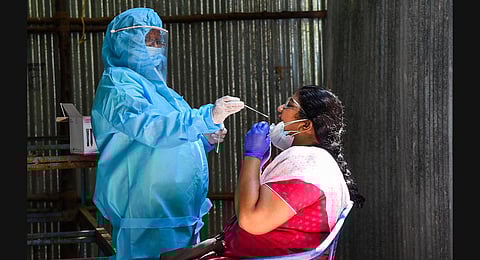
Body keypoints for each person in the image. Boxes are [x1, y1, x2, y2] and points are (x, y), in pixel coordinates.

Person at [90, 7, 245, 259]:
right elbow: (152, 129)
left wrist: (204, 138)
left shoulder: (162, 91)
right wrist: (207, 116)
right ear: (122, 41)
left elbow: (174, 142)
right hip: (146, 212)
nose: (153, 46)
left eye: (156, 40)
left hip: (177, 211)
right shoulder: (118, 85)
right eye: (146, 39)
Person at [160, 85, 365, 260]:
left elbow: (250, 220)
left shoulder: (307, 163)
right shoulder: (313, 160)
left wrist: (252, 157)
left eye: (289, 105)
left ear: (305, 125)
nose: (279, 109)